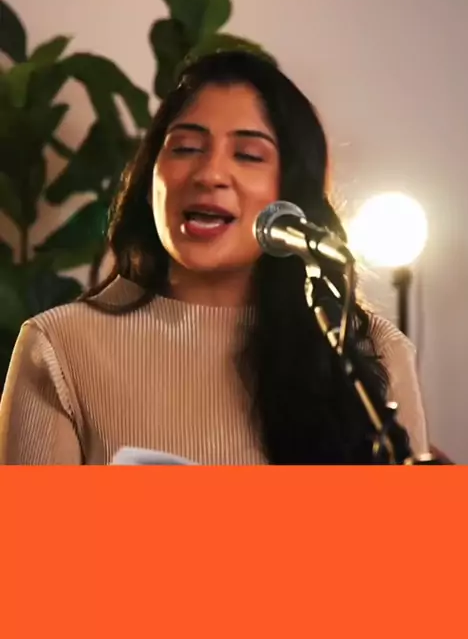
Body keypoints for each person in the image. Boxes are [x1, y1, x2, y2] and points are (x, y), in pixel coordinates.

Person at [0, 50, 429, 465]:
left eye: (248, 155)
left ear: (291, 196)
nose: (209, 175)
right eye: (186, 148)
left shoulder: (375, 351)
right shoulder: (59, 347)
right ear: (150, 183)